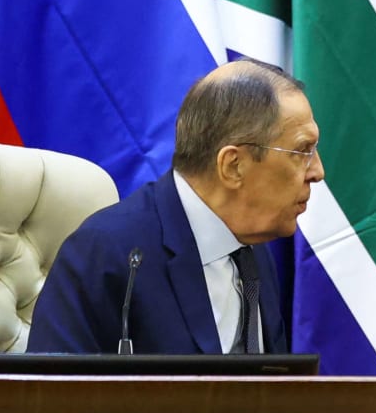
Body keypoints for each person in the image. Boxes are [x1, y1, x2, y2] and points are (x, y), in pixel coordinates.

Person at [28, 59, 324, 355]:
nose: (317, 172)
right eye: (302, 152)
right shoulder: (108, 254)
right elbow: (49, 398)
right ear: (233, 166)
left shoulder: (253, 250)